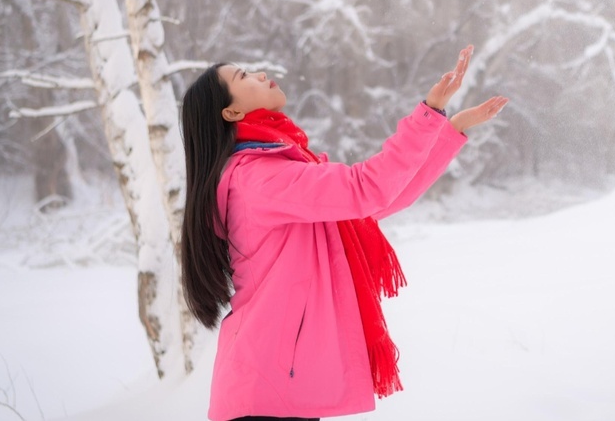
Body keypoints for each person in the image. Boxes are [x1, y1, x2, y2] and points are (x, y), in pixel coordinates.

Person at [180, 45, 508, 421]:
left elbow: (375, 202)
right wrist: (427, 114)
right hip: (266, 389)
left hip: (277, 386)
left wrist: (449, 130)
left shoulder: (276, 165)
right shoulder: (258, 178)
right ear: (232, 112)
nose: (258, 74)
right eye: (243, 77)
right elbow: (364, 188)